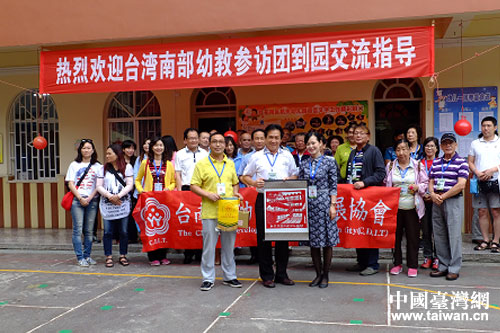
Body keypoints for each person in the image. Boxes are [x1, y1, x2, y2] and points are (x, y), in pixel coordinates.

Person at [242, 124, 299, 288]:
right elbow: (244, 176)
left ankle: (282, 274)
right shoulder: (256, 156)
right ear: (265, 138)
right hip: (263, 199)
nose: (274, 140)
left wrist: (291, 179)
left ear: (282, 139)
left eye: (277, 137)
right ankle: (267, 275)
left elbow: (294, 173)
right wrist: (253, 182)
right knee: (263, 239)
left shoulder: (287, 155)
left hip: (283, 200)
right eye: (271, 137)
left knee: (283, 238)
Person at [191, 132, 243, 291]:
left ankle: (230, 276)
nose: (218, 145)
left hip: (228, 210)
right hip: (210, 211)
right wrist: (207, 194)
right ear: (209, 144)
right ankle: (208, 278)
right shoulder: (202, 164)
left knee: (229, 246)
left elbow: (235, 182)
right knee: (209, 247)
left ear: (226, 145)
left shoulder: (230, 163)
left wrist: (235, 193)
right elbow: (193, 185)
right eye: (215, 142)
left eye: (222, 142)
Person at [299, 132, 339, 288]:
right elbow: (301, 184)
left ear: (321, 144)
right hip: (309, 205)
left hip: (325, 204)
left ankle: (326, 275)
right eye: (308, 144)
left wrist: (332, 205)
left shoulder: (330, 161)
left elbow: (333, 185)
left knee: (327, 242)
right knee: (313, 242)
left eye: (313, 143)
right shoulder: (304, 163)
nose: (311, 146)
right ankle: (317, 274)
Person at [345, 124, 386, 276]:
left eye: (362, 133)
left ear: (368, 136)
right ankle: (361, 262)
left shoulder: (374, 151)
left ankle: (372, 264)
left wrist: (365, 182)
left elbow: (381, 173)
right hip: (355, 198)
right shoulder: (353, 153)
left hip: (369, 196)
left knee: (369, 230)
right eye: (356, 133)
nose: (358, 135)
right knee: (358, 229)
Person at [429, 133, 469, 281]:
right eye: (445, 143)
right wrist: (432, 194)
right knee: (439, 234)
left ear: (456, 145)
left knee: (454, 235)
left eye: (450, 143)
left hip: (452, 201)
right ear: (441, 146)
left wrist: (443, 196)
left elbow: (461, 184)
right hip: (437, 200)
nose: (448, 145)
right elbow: (431, 179)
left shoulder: (461, 162)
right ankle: (443, 266)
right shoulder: (437, 162)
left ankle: (454, 268)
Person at [385, 139, 428, 278]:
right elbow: (386, 183)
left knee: (413, 237)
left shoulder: (418, 165)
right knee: (395, 238)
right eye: (398, 150)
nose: (401, 152)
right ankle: (397, 264)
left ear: (410, 150)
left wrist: (418, 187)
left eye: (404, 149)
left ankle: (412, 265)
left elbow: (425, 183)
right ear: (395, 152)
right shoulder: (391, 166)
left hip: (412, 207)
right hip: (395, 208)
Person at [135, 137, 176, 266]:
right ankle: (152, 257)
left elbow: (173, 182)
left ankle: (163, 255)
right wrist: (142, 191)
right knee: (151, 229)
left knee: (163, 228)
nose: (159, 148)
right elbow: (137, 179)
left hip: (164, 201)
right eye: (156, 145)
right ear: (152, 147)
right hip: (150, 201)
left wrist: (167, 189)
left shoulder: (168, 164)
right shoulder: (145, 163)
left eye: (161, 145)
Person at [97, 144, 134, 268]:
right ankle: (108, 256)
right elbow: (99, 186)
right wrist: (110, 196)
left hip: (122, 203)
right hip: (108, 204)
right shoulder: (102, 169)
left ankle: (123, 255)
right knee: (108, 231)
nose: (107, 156)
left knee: (123, 231)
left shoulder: (127, 168)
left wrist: (118, 196)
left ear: (117, 154)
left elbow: (129, 185)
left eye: (109, 153)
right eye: (106, 154)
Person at [175, 128, 209, 263]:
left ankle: (200, 253)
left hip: (201, 189)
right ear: (185, 140)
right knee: (188, 223)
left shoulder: (205, 154)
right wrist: (179, 192)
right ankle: (188, 254)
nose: (194, 140)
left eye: (196, 138)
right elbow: (177, 173)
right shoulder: (180, 154)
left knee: (201, 221)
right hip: (186, 189)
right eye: (191, 138)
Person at [65, 139, 101, 266]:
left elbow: (99, 185)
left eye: (89, 148)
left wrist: (90, 197)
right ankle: (80, 257)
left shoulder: (98, 166)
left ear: (93, 150)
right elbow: (70, 183)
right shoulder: (74, 165)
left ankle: (88, 255)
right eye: (84, 148)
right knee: (77, 230)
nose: (86, 150)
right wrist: (80, 197)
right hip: (77, 200)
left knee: (89, 231)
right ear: (80, 150)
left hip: (92, 201)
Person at [468, 116, 500, 253]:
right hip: (480, 182)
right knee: (482, 211)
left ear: (495, 127)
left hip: (496, 181)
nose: (486, 128)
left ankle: (496, 241)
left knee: (496, 211)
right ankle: (485, 239)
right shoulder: (475, 143)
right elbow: (470, 162)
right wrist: (477, 172)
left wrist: (493, 169)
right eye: (483, 126)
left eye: (488, 126)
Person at [238, 128, 266, 264]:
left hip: (269, 196)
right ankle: (255, 254)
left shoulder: (280, 155)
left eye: (262, 138)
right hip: (250, 194)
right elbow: (241, 176)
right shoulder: (248, 157)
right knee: (252, 225)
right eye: (257, 139)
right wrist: (251, 184)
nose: (259, 141)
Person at [420, 137, 440, 270]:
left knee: (438, 230)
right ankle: (427, 256)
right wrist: (424, 194)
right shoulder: (418, 163)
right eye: (427, 146)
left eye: (432, 146)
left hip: (437, 199)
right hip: (422, 199)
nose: (429, 148)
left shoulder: (441, 162)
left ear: (437, 149)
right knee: (426, 230)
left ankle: (438, 257)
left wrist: (433, 194)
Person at [122, 139, 138, 243]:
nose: (130, 150)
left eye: (132, 148)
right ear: (123, 149)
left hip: (134, 191)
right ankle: (122, 236)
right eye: (128, 148)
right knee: (122, 214)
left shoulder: (136, 160)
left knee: (133, 214)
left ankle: (133, 236)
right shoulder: (119, 161)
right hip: (122, 191)